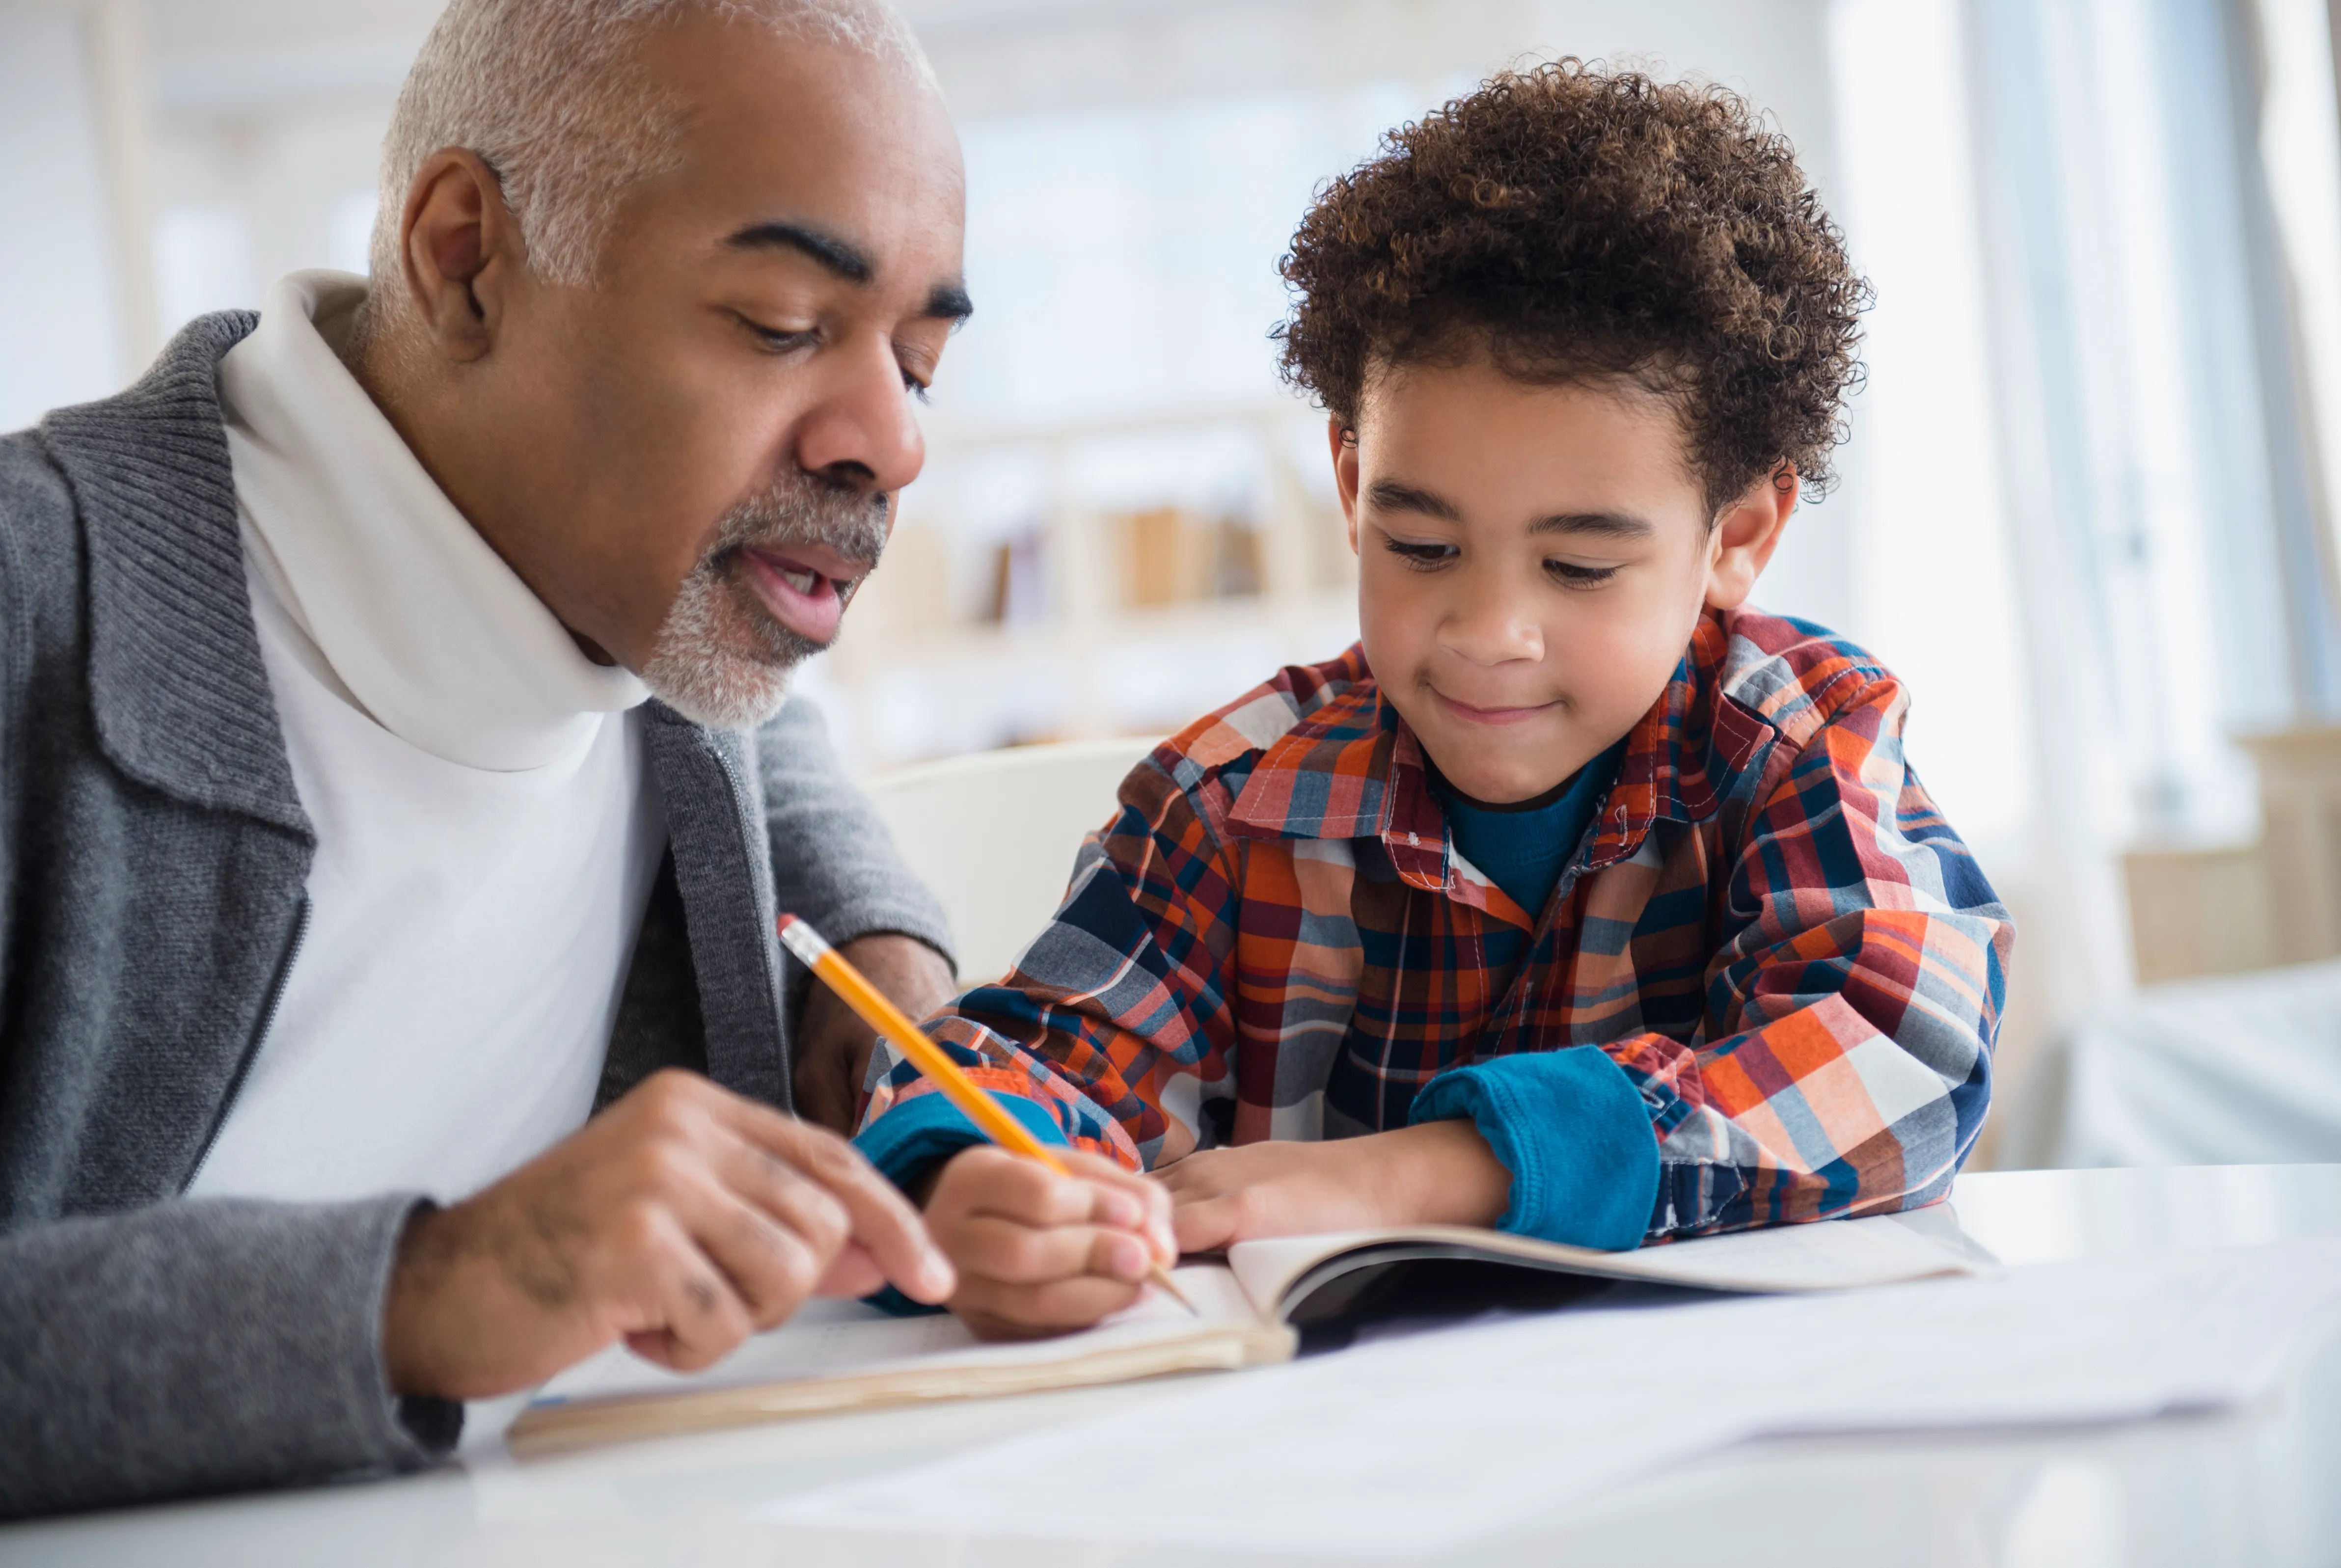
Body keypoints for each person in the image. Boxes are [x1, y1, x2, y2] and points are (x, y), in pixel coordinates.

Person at [0, 0, 1082, 1521]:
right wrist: (424, 1289)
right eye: (780, 324)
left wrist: (889, 971)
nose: (892, 446)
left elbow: (740, 732)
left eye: (921, 361)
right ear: (463, 257)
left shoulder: (640, 612)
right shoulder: (18, 601)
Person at [854, 62, 2014, 1339]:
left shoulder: (1793, 739)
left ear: (1737, 533)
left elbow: (1900, 1055)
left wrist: (1407, 1177)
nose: (1488, 635)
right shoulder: (1230, 799)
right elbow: (1027, 1057)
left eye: (1579, 566)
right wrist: (987, 1176)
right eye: (1421, 547)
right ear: (1353, 480)